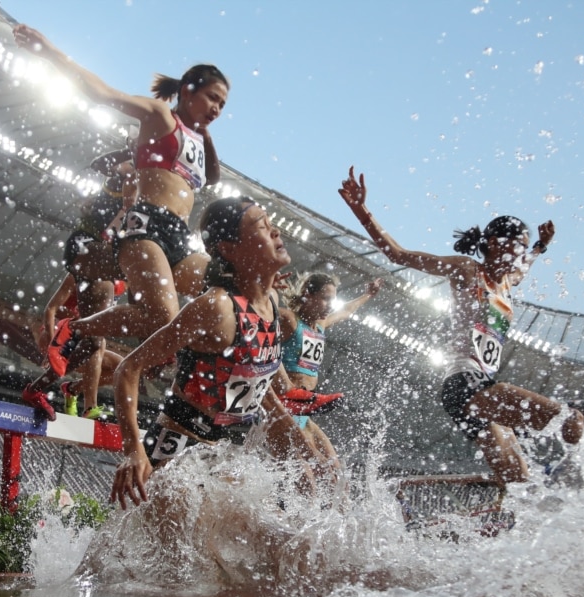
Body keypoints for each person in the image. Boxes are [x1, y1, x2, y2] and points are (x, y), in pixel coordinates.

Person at [338, 167, 584, 491]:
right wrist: (361, 210)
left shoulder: (508, 282)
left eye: (524, 249)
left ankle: (414, 496)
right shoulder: (467, 270)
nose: (520, 255)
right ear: (495, 243)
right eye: (517, 246)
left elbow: (525, 267)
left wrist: (540, 247)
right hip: (464, 383)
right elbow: (397, 255)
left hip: (481, 386)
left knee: (517, 483)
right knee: (571, 421)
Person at [12, 25, 227, 372]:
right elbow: (101, 92)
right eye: (212, 98)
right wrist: (49, 51)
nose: (217, 107)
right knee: (163, 319)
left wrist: (205, 132)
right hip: (147, 225)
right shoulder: (160, 116)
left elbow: (213, 177)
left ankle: (236, 376)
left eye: (222, 104)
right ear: (187, 92)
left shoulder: (199, 139)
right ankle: (74, 328)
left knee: (228, 291)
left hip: (178, 235)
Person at [110, 197, 336, 509]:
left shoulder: (270, 304)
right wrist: (133, 451)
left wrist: (305, 458)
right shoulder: (216, 307)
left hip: (219, 451)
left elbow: (265, 393)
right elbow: (128, 368)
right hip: (172, 454)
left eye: (271, 223)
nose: (275, 231)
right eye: (261, 226)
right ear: (229, 249)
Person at [21, 147, 134, 420]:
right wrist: (129, 152)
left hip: (93, 250)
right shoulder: (123, 180)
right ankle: (86, 404)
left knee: (111, 356)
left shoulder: (115, 276)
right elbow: (104, 166)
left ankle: (62, 389)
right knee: (98, 338)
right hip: (85, 248)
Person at [277, 273, 382, 460]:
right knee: (309, 468)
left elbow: (347, 310)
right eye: (325, 299)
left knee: (332, 467)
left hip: (304, 411)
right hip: (284, 409)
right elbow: (258, 310)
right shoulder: (289, 320)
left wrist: (368, 295)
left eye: (332, 300)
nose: (330, 305)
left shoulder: (320, 325)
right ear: (307, 294)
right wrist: (267, 285)